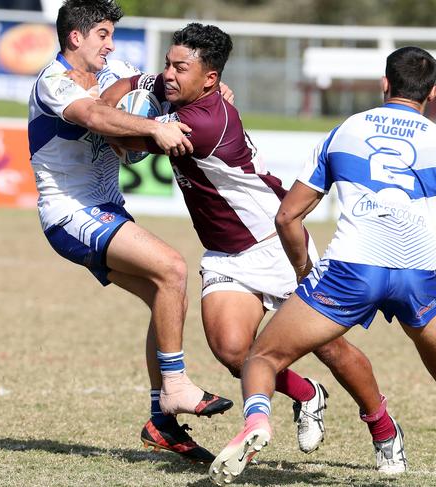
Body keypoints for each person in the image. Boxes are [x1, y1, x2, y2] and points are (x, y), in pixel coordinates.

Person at [101, 22, 405, 472]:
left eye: (179, 67)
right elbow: (136, 101)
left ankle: (383, 428)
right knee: (231, 352)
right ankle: (307, 393)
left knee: (331, 348)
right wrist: (141, 81)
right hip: (226, 255)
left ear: (210, 79)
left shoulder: (203, 122)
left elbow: (118, 133)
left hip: (275, 244)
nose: (168, 73)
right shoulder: (183, 96)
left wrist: (112, 95)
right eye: (167, 63)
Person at [210, 45, 436, 487]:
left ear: (384, 84)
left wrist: (302, 274)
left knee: (263, 357)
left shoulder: (343, 131)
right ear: (434, 93)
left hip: (350, 271)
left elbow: (287, 216)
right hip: (416, 277)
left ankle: (257, 420)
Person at [27, 0, 234, 465]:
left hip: (105, 209)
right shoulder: (52, 83)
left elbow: (164, 83)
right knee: (173, 267)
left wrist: (211, 91)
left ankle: (160, 425)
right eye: (102, 34)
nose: (110, 44)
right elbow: (97, 118)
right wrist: (154, 129)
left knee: (167, 292)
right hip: (69, 213)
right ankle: (176, 387)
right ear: (76, 37)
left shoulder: (113, 69)